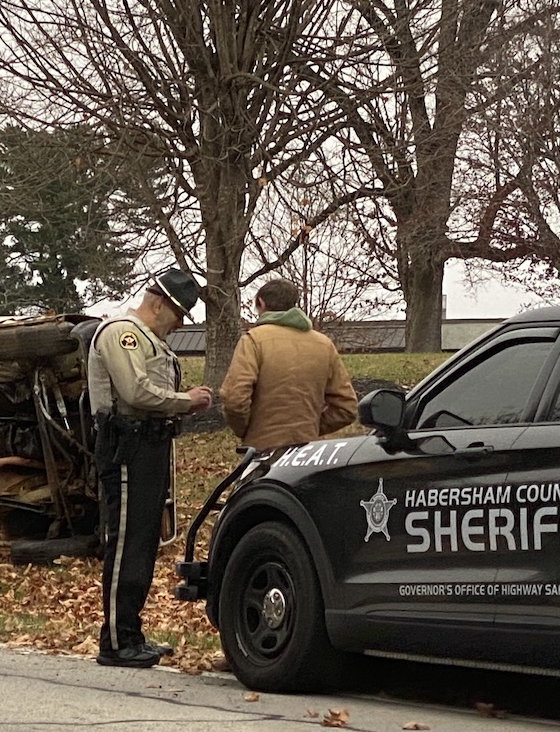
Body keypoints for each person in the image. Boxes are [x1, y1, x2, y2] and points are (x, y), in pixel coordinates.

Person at [88, 267, 213, 668]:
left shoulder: (148, 339)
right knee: (126, 542)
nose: (180, 325)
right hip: (128, 446)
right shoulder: (121, 334)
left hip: (149, 445)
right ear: (158, 303)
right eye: (178, 314)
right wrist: (185, 401)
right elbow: (135, 391)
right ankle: (115, 641)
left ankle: (130, 634)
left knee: (142, 543)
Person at [219, 278, 358, 452]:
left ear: (261, 302)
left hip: (262, 452)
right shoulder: (324, 345)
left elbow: (234, 399)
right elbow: (347, 408)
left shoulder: (253, 340)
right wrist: (310, 429)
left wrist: (246, 431)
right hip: (307, 452)